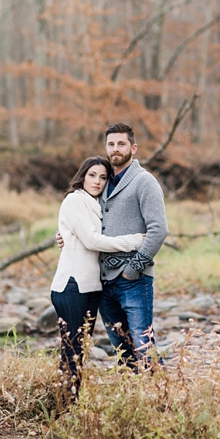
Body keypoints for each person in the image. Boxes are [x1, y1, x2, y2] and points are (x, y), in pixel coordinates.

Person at [49, 156, 145, 398]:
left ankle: (71, 404)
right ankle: (63, 406)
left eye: (103, 177)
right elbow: (92, 240)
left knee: (80, 350)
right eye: (92, 175)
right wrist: (135, 241)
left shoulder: (97, 204)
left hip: (92, 288)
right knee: (72, 352)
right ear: (82, 176)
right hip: (72, 286)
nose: (97, 181)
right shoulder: (74, 200)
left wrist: (63, 235)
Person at [97, 123, 169, 370]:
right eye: (111, 144)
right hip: (103, 281)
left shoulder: (144, 181)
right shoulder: (101, 181)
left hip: (134, 281)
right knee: (122, 350)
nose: (115, 149)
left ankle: (163, 391)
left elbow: (159, 229)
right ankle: (134, 392)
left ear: (133, 148)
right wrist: (63, 235)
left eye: (121, 143)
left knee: (143, 346)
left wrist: (133, 268)